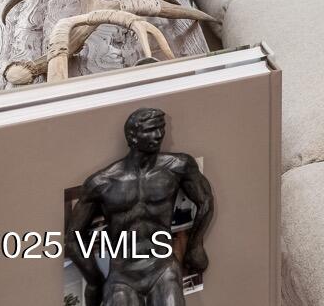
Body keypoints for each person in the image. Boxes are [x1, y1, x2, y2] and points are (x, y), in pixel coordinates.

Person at [65, 107, 214, 306]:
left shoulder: (178, 166)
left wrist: (195, 245)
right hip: (123, 275)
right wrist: (94, 281)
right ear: (132, 137)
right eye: (151, 130)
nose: (159, 135)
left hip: (163, 268)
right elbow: (73, 237)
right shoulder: (102, 182)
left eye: (161, 128)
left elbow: (205, 201)